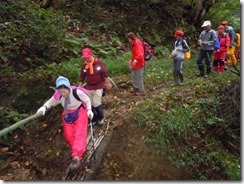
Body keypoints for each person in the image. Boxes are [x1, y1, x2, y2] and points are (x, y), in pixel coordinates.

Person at [36, 76, 94, 171]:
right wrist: (44, 107)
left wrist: (89, 110)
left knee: (79, 133)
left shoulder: (76, 92)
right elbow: (50, 102)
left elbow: (87, 100)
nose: (63, 94)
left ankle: (76, 157)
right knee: (68, 135)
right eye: (60, 92)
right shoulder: (58, 95)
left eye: (64, 91)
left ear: (68, 88)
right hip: (67, 114)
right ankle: (78, 149)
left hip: (80, 112)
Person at [79, 48, 112, 126]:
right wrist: (79, 86)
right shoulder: (84, 66)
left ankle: (100, 118)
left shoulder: (98, 63)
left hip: (98, 85)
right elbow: (82, 76)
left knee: (96, 103)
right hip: (89, 86)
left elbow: (105, 74)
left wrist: (108, 83)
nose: (86, 59)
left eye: (88, 57)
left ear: (91, 55)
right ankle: (93, 119)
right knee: (89, 104)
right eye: (85, 58)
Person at [126, 32, 146, 96]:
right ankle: (135, 88)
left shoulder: (137, 43)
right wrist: (131, 60)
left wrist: (134, 61)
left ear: (131, 38)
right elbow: (134, 54)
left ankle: (141, 90)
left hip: (139, 63)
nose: (128, 40)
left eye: (128, 38)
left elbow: (140, 54)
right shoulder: (133, 43)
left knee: (139, 76)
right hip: (135, 63)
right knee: (133, 75)